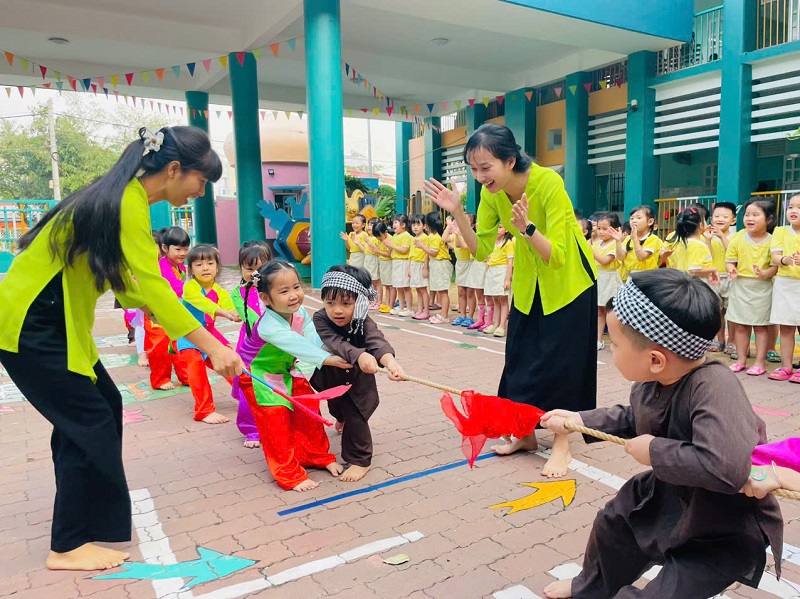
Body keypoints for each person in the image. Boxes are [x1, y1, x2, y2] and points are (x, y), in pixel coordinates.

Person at [0, 126, 242, 571]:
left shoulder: (124, 197)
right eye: (200, 182)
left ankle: (92, 526)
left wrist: (160, 310)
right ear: (174, 169)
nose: (200, 192)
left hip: (58, 321)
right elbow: (150, 284)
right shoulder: (126, 201)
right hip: (34, 324)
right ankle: (68, 545)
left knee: (103, 409)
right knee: (86, 422)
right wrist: (210, 345)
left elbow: (129, 282)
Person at [539, 270, 783, 599]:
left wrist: (655, 451)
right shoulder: (655, 381)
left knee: (669, 589)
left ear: (655, 359)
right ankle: (592, 584)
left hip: (719, 525)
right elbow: (633, 416)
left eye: (615, 343)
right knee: (614, 524)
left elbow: (727, 467)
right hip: (670, 493)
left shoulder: (716, 388)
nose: (611, 351)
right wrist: (579, 419)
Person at [425, 123, 597, 476]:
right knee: (519, 362)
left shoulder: (548, 184)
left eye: (485, 167)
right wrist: (458, 212)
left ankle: (562, 445)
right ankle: (525, 434)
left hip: (568, 284)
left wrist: (528, 229)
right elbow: (480, 249)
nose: (479, 176)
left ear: (510, 160)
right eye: (473, 169)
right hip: (528, 285)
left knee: (560, 367)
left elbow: (559, 256)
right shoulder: (491, 195)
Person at [236, 260, 350, 491]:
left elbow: (311, 336)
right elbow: (300, 346)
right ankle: (289, 474)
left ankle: (317, 456)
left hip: (285, 369)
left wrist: (331, 351)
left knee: (308, 413)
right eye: (284, 291)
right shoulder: (268, 325)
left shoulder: (298, 313)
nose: (293, 296)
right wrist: (328, 359)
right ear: (266, 299)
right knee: (275, 422)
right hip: (257, 374)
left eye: (296, 287)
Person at [310, 264, 405, 481]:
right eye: (330, 303)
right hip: (331, 375)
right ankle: (341, 419)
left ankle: (361, 460)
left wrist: (390, 363)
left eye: (346, 303)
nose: (337, 310)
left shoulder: (364, 321)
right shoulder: (320, 318)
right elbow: (335, 342)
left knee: (357, 414)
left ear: (360, 302)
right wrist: (360, 355)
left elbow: (376, 341)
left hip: (359, 377)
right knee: (336, 408)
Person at [176, 245, 242, 424]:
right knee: (197, 370)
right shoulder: (189, 288)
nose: (205, 268)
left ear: (217, 266)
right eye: (198, 264)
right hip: (189, 336)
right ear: (191, 269)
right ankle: (204, 411)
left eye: (210, 263)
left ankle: (247, 398)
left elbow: (229, 305)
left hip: (210, 334)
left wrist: (235, 313)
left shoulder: (218, 290)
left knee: (231, 362)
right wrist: (224, 313)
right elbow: (204, 304)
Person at [726, 198, 777, 376]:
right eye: (747, 214)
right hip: (741, 286)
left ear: (769, 219)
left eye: (756, 215)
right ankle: (741, 360)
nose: (749, 218)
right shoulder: (739, 237)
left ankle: (760, 362)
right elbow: (730, 261)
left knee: (761, 327)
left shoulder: (773, 240)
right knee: (740, 325)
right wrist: (731, 270)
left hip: (763, 288)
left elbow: (775, 266)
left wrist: (765, 273)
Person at [231, 241, 272, 447]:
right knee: (250, 388)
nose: (255, 273)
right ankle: (252, 430)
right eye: (249, 268)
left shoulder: (276, 290)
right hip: (251, 347)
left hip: (276, 345)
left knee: (277, 385)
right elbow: (251, 318)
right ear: (241, 268)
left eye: (261, 268)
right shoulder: (239, 293)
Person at [144, 225, 192, 390]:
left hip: (174, 312)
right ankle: (160, 379)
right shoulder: (162, 266)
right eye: (178, 249)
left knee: (179, 344)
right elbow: (179, 289)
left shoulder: (181, 267)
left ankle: (185, 376)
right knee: (159, 348)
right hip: (156, 313)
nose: (183, 253)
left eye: (186, 249)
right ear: (165, 248)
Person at [767, 193, 800, 382]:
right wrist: (785, 260)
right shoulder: (780, 231)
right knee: (786, 327)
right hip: (785, 284)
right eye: (791, 207)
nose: (794, 211)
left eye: (799, 208)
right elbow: (774, 257)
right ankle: (787, 366)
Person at [591, 212, 624, 350]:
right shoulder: (597, 243)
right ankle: (598, 340)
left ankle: (617, 341)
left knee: (612, 311)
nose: (601, 232)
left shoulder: (614, 245)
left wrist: (590, 250)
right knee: (599, 311)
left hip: (609, 279)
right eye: (599, 228)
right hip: (598, 278)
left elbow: (605, 261)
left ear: (615, 229)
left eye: (605, 228)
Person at [709, 202, 737, 352]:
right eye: (717, 216)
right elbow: (708, 255)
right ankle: (720, 341)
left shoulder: (736, 236)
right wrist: (708, 239)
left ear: (733, 220)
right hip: (714, 277)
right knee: (717, 311)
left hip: (731, 277)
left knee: (731, 312)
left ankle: (732, 341)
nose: (720, 219)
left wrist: (721, 236)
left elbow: (733, 252)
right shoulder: (708, 236)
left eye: (725, 216)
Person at [444, 212, 478, 326]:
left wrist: (457, 233)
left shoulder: (470, 235)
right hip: (460, 264)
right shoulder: (455, 234)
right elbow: (444, 238)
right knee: (461, 292)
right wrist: (449, 226)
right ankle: (462, 315)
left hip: (470, 264)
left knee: (470, 292)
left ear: (472, 225)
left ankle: (470, 317)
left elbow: (462, 245)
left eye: (465, 221)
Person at [421, 211, 454, 325]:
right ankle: (442, 314)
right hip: (436, 264)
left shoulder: (435, 237)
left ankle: (444, 316)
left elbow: (433, 253)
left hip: (441, 264)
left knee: (443, 292)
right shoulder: (433, 236)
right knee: (440, 291)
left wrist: (422, 246)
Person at [481, 225, 514, 337]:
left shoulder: (508, 244)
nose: (497, 230)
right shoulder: (491, 244)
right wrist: (486, 275)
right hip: (492, 272)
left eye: (500, 227)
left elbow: (510, 262)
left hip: (502, 270)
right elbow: (488, 260)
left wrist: (508, 279)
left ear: (507, 229)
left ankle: (502, 326)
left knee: (503, 300)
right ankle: (495, 324)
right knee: (495, 299)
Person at [617, 205, 662, 282]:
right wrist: (617, 241)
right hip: (630, 276)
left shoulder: (653, 239)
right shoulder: (628, 239)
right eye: (632, 218)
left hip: (647, 276)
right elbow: (621, 257)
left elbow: (641, 257)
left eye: (639, 218)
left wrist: (635, 239)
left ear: (650, 221)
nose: (634, 221)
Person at [384, 214, 413, 316]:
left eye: (396, 223)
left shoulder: (407, 236)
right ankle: (401, 307)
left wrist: (391, 245)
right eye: (393, 223)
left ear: (403, 225)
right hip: (395, 262)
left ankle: (408, 308)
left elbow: (404, 250)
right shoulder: (395, 236)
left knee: (405, 286)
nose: (393, 225)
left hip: (403, 262)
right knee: (398, 287)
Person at [409, 213, 431, 320]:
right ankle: (420, 310)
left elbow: (427, 254)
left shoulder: (425, 238)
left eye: (418, 224)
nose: (415, 227)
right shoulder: (414, 238)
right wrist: (410, 268)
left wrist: (426, 268)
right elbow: (411, 255)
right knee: (418, 289)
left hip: (421, 265)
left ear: (424, 226)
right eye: (413, 225)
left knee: (423, 289)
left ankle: (426, 311)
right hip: (414, 264)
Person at [370, 221, 394, 312]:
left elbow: (389, 254)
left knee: (391, 286)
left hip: (389, 264)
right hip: (383, 264)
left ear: (386, 232)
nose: (378, 238)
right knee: (387, 286)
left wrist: (377, 251)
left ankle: (390, 304)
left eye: (380, 236)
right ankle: (387, 303)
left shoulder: (390, 240)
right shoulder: (380, 240)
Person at [362, 217, 382, 310]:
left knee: (377, 282)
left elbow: (375, 250)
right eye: (369, 224)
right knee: (371, 282)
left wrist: (368, 242)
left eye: (372, 225)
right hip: (367, 260)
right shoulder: (368, 237)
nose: (370, 227)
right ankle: (372, 300)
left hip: (374, 260)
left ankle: (379, 301)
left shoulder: (376, 238)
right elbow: (365, 250)